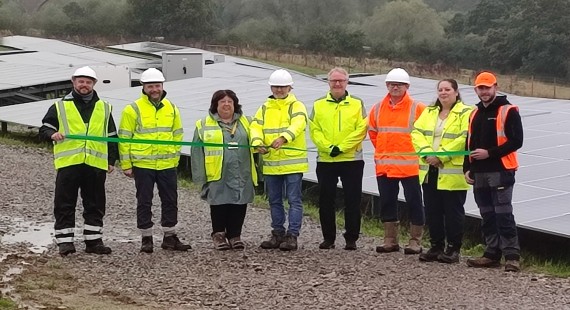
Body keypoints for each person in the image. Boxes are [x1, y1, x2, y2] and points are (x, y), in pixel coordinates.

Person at [39, 66, 117, 256]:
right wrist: (52, 134)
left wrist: (112, 160)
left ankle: (94, 241)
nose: (84, 85)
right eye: (81, 81)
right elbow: (44, 129)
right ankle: (65, 243)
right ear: (73, 82)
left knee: (95, 203)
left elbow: (112, 136)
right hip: (69, 164)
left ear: (94, 84)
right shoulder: (59, 106)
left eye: (88, 82)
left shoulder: (104, 108)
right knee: (65, 203)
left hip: (95, 164)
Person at [118, 68, 191, 253]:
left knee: (170, 200)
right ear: (143, 87)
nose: (154, 89)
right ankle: (146, 238)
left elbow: (178, 134)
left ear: (162, 86)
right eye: (150, 86)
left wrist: (174, 157)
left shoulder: (172, 108)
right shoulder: (132, 109)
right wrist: (126, 164)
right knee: (144, 201)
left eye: (157, 85)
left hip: (167, 164)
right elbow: (124, 138)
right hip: (143, 164)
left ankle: (170, 237)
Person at [464, 71, 523, 272]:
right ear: (476, 90)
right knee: (487, 214)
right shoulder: (474, 113)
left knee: (503, 214)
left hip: (501, 170)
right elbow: (469, 143)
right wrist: (467, 168)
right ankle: (491, 254)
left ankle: (512, 256)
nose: (484, 91)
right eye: (481, 88)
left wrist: (489, 153)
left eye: (487, 88)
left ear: (495, 87)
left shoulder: (509, 110)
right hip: (479, 172)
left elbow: (517, 141)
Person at [411, 79, 473, 263]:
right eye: (440, 89)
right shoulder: (429, 112)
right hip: (429, 170)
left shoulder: (466, 112)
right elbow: (416, 133)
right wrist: (428, 154)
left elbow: (464, 137)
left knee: (453, 212)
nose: (443, 93)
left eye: (447, 89)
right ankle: (436, 246)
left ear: (456, 92)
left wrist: (441, 156)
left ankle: (453, 248)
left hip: (451, 171)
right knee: (432, 210)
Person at [368, 68, 426, 255]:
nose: (395, 87)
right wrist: (384, 152)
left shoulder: (418, 108)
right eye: (392, 84)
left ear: (407, 86)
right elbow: (373, 133)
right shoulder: (377, 108)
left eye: (399, 84)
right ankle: (390, 240)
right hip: (385, 166)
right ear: (386, 85)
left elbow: (426, 133)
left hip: (410, 167)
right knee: (387, 202)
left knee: (415, 202)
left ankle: (415, 241)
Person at [191, 90, 257, 250]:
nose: (226, 104)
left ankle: (235, 235)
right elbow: (196, 152)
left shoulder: (248, 122)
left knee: (239, 202)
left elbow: (257, 143)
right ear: (215, 105)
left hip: (242, 171)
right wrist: (200, 176)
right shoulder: (203, 124)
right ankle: (219, 235)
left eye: (230, 101)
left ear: (235, 105)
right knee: (219, 203)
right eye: (222, 102)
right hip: (217, 172)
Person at [309, 67, 367, 250]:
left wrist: (341, 147)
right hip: (326, 160)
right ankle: (328, 238)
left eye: (341, 80)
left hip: (351, 160)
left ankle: (351, 238)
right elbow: (314, 129)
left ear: (347, 82)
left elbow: (362, 129)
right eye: (334, 80)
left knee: (352, 200)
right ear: (328, 82)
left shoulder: (357, 103)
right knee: (326, 201)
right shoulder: (318, 104)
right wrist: (328, 147)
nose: (337, 83)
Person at [250, 69, 309, 251]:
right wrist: (257, 142)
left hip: (292, 163)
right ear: (271, 87)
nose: (279, 90)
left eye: (282, 87)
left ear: (290, 87)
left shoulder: (296, 106)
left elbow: (299, 124)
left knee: (293, 200)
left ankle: (292, 235)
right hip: (271, 162)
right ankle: (277, 233)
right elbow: (255, 126)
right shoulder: (265, 108)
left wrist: (284, 137)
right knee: (274, 200)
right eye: (276, 86)